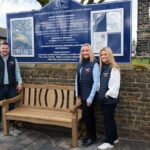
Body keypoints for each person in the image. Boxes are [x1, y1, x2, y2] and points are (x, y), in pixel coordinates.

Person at [75, 43, 100, 147]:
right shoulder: (80, 63)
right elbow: (77, 79)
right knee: (88, 116)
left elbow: (96, 82)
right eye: (83, 51)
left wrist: (90, 97)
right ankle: (90, 135)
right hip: (83, 95)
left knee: (88, 116)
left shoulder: (94, 63)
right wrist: (77, 93)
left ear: (90, 52)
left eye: (87, 50)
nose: (85, 52)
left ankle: (93, 137)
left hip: (90, 95)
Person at [97, 47, 120, 150]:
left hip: (109, 100)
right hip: (104, 99)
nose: (103, 56)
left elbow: (115, 86)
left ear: (109, 55)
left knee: (108, 121)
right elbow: (100, 83)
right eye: (101, 55)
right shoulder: (103, 68)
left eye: (105, 54)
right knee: (110, 119)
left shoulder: (113, 68)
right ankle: (114, 138)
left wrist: (106, 95)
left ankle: (109, 142)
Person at [0, 41, 22, 126]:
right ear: (0, 49)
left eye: (6, 48)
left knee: (12, 105)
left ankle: (12, 124)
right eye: (3, 48)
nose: (5, 50)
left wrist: (20, 83)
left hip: (11, 87)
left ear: (9, 49)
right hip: (0, 87)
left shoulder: (13, 59)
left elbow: (17, 72)